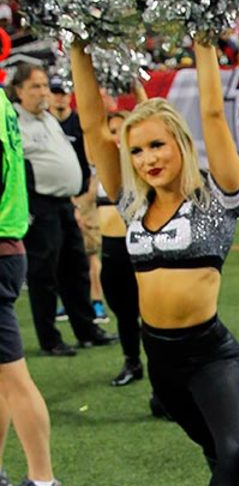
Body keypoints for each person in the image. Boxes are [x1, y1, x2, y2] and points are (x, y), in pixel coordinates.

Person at [70, 38, 239, 486]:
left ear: (180, 145)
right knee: (208, 442)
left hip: (211, 353)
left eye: (158, 144)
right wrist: (78, 44)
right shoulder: (129, 203)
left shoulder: (216, 200)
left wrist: (204, 46)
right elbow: (94, 121)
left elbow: (211, 113)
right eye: (139, 148)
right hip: (162, 359)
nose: (148, 157)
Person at [9, 63, 116, 357]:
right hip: (40, 205)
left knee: (77, 268)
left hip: (65, 204)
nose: (43, 92)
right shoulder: (14, 120)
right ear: (18, 90)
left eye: (45, 85)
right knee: (45, 274)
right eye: (35, 86)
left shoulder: (48, 118)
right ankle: (50, 338)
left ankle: (87, 329)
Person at [0, 87, 67, 486]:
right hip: (8, 243)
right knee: (3, 376)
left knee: (14, 376)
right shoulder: (3, 103)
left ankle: (43, 481)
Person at [46, 74, 108, 323]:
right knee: (61, 254)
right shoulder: (46, 124)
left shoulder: (79, 124)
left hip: (82, 196)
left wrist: (87, 196)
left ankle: (96, 303)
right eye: (56, 91)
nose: (60, 96)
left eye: (63, 92)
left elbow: (93, 161)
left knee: (90, 252)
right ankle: (69, 302)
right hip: (57, 198)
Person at [93, 109, 145, 387]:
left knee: (152, 318)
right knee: (124, 314)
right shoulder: (101, 169)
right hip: (110, 251)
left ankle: (165, 385)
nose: (116, 138)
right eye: (112, 131)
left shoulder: (142, 165)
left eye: (122, 131)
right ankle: (132, 362)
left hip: (140, 250)